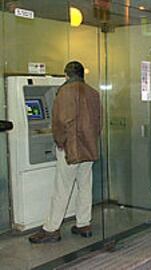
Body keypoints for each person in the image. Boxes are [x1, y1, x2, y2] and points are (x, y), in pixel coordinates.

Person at [29, 61, 101, 243]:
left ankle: (52, 228)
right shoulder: (93, 93)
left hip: (71, 149)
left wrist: (60, 142)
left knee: (62, 188)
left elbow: (60, 121)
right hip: (89, 148)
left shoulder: (64, 92)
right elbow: (98, 123)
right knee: (85, 186)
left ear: (67, 75)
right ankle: (84, 224)